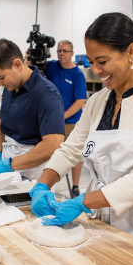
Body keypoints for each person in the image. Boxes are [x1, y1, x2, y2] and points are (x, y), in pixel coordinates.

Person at [29, 13, 133, 246]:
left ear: (131, 52)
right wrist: (42, 184)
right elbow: (70, 150)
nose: (95, 70)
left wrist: (81, 202)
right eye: (91, 61)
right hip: (100, 218)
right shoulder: (97, 101)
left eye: (103, 61)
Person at [0, 39, 65, 180]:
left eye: (0, 77)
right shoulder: (10, 87)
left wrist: (9, 164)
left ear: (17, 65)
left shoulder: (47, 94)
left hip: (34, 173)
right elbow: (1, 122)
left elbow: (53, 145)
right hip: (8, 166)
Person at [46, 40, 87, 197]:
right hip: (52, 122)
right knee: (50, 152)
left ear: (71, 53)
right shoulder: (52, 67)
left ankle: (75, 187)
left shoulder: (77, 75)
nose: (61, 53)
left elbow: (79, 103)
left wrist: (61, 117)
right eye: (59, 51)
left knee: (75, 156)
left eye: (65, 51)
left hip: (71, 122)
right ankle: (48, 185)